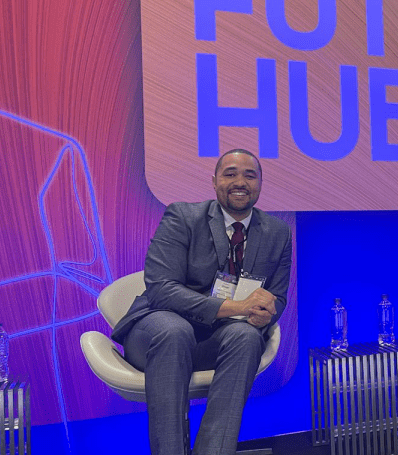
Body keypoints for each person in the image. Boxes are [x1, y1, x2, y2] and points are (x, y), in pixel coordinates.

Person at [111, 148, 292, 455]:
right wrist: (237, 307)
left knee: (247, 336)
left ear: (260, 183)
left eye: (250, 175)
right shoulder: (183, 216)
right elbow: (161, 289)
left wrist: (266, 315)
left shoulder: (278, 232)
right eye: (230, 173)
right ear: (214, 181)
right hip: (157, 330)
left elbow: (279, 297)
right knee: (174, 330)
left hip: (216, 340)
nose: (240, 182)